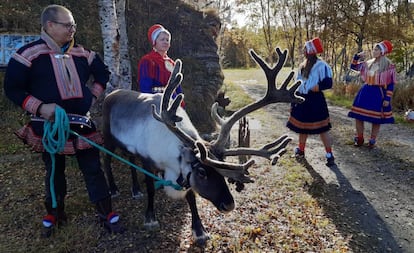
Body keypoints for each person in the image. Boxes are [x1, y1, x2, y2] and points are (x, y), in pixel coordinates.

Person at [3, 4, 123, 237]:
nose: (72, 29)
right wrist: (40, 107)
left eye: (73, 25)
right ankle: (55, 212)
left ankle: (106, 213)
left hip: (81, 123)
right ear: (50, 25)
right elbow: (12, 89)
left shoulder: (83, 53)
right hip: (49, 126)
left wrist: (92, 96)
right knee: (54, 170)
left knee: (93, 168)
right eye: (67, 25)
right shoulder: (28, 54)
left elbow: (103, 74)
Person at [286, 37, 335, 166]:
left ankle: (329, 154)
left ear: (311, 50)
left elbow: (328, 82)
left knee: (323, 129)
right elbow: (298, 83)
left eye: (305, 48)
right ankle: (301, 150)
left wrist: (318, 87)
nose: (304, 50)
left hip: (316, 100)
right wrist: (293, 100)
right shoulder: (302, 65)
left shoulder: (322, 65)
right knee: (303, 128)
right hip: (302, 99)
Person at [348, 40, 396, 147]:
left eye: (377, 49)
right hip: (365, 91)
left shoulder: (389, 66)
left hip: (378, 93)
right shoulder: (368, 63)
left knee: (376, 119)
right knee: (358, 116)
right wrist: (356, 57)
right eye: (374, 49)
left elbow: (391, 84)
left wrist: (387, 99)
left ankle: (372, 140)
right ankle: (359, 138)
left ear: (382, 52)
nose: (374, 51)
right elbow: (354, 67)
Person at [137, 24, 185, 106]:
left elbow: (177, 87)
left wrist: (180, 104)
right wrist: (149, 103)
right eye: (162, 39)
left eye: (167, 40)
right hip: (155, 101)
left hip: (172, 101)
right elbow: (145, 86)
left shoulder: (172, 63)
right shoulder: (148, 60)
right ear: (155, 42)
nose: (165, 42)